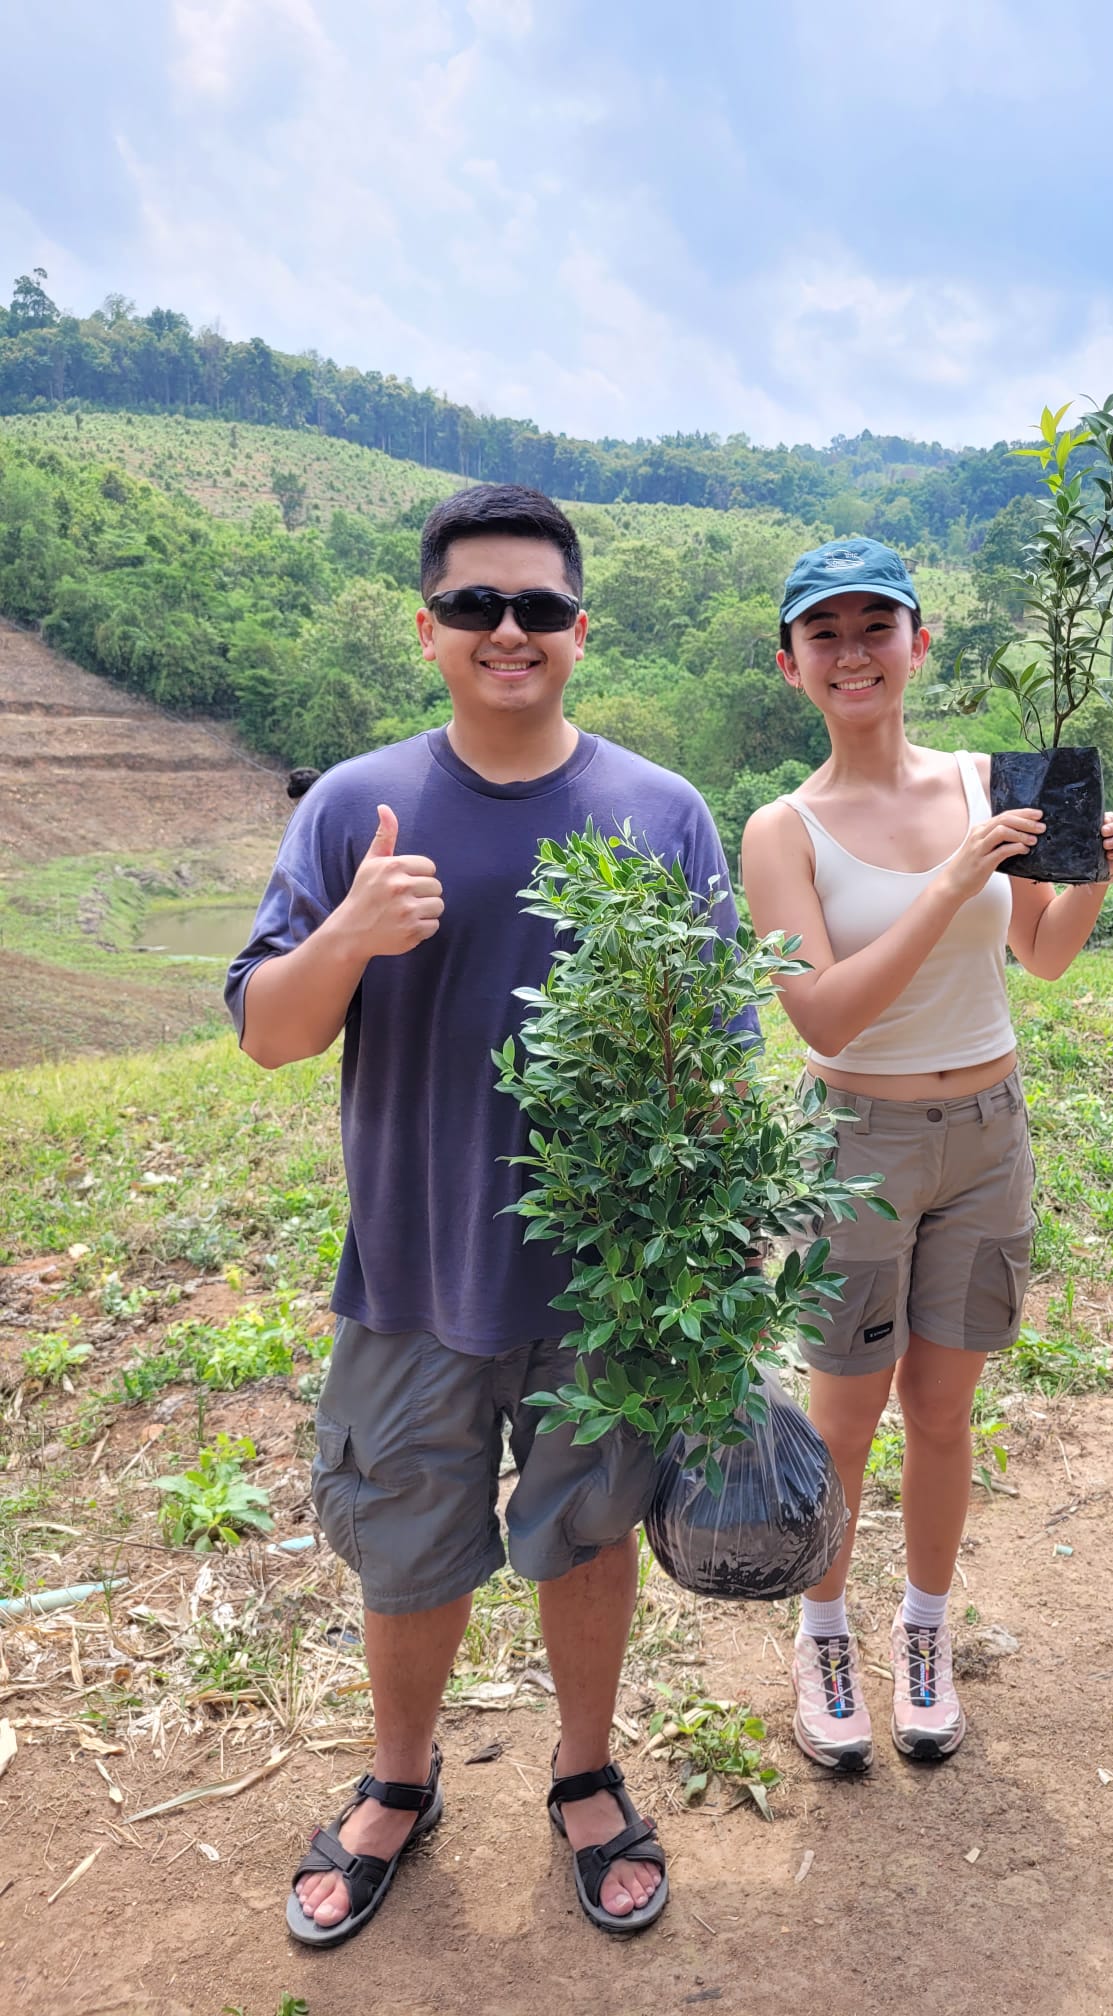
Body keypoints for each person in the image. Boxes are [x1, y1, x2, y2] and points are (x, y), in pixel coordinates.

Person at [227, 483, 751, 1945]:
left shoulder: (663, 812)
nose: (506, 631)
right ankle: (400, 1782)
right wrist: (349, 930)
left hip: (609, 1286)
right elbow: (269, 1033)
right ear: (429, 630)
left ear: (579, 629)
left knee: (585, 1534)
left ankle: (585, 1773)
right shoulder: (352, 806)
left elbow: (722, 1061)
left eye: (535, 608)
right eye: (475, 606)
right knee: (407, 1547)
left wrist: (717, 1248)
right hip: (410, 1270)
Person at [741, 537, 1113, 1774]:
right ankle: (824, 1636)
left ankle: (923, 1632)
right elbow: (823, 1017)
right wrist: (956, 872)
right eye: (826, 635)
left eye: (876, 627)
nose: (854, 653)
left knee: (945, 1410)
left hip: (985, 1132)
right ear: (792, 664)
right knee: (846, 1416)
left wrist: (1093, 881)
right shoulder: (782, 830)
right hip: (852, 1138)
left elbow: (1046, 957)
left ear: (921, 641)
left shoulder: (989, 782)